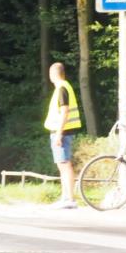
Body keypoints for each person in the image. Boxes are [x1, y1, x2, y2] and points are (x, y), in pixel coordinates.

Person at [44, 62, 82, 209]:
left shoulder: (62, 88)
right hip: (63, 131)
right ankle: (65, 197)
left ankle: (70, 199)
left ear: (52, 75)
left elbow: (64, 111)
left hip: (62, 132)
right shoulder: (65, 87)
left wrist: (59, 134)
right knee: (62, 165)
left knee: (65, 165)